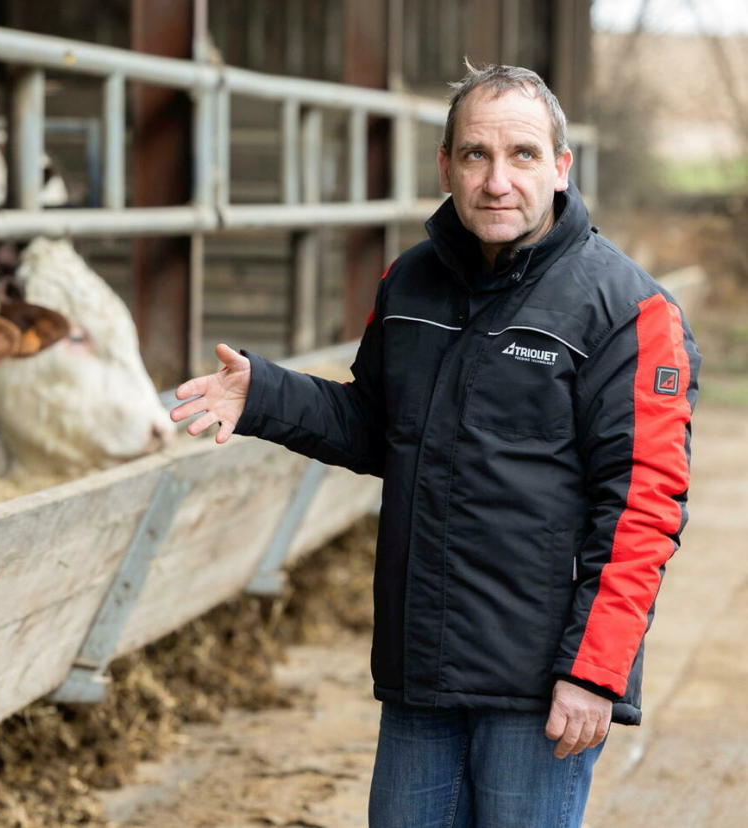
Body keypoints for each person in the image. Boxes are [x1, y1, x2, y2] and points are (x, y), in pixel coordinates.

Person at [170, 62, 700, 827]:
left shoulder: (628, 310)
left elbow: (644, 508)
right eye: (475, 155)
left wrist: (596, 673)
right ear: (445, 165)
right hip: (422, 669)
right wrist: (267, 395)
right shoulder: (410, 282)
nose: (496, 181)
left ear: (560, 165)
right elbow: (380, 427)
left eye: (521, 155)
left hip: (541, 684)